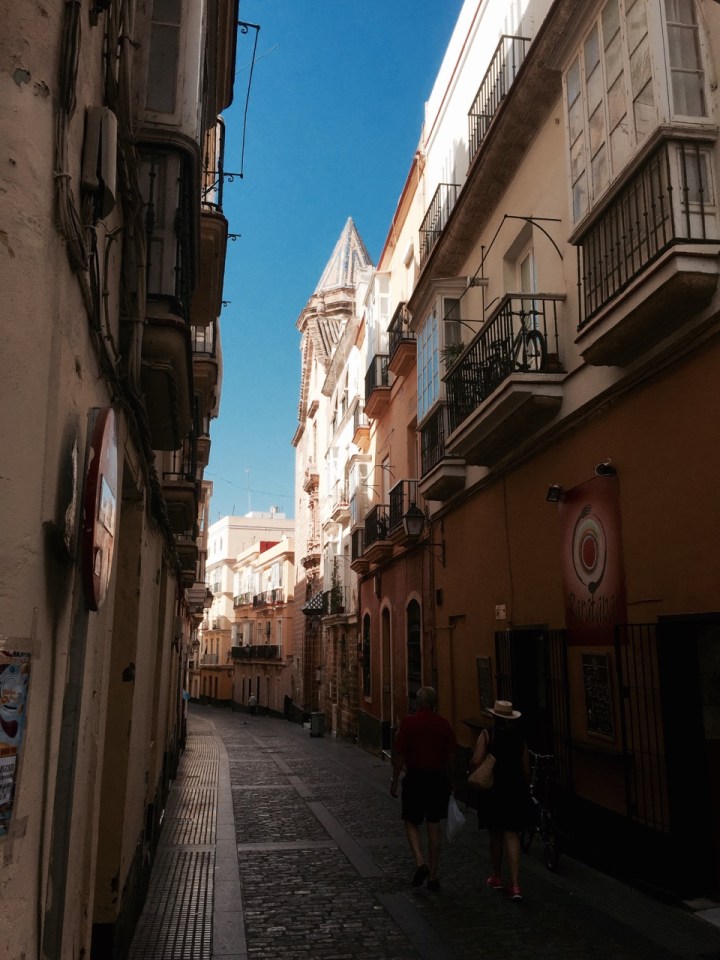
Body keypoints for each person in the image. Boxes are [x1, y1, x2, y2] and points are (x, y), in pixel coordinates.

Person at [390, 686, 456, 892]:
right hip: (437, 779)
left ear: (417, 703)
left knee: (410, 821)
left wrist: (394, 780)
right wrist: (451, 780)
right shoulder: (443, 724)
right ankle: (433, 876)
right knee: (434, 825)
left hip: (415, 778)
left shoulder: (409, 724)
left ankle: (420, 862)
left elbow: (400, 755)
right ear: (435, 703)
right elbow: (451, 757)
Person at [469, 699, 530, 901]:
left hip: (493, 790)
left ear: (495, 717)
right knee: (512, 835)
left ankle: (497, 876)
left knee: (495, 834)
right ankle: (516, 885)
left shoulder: (488, 734)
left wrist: (473, 771)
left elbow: (477, 760)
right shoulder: (519, 739)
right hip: (514, 790)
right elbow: (526, 769)